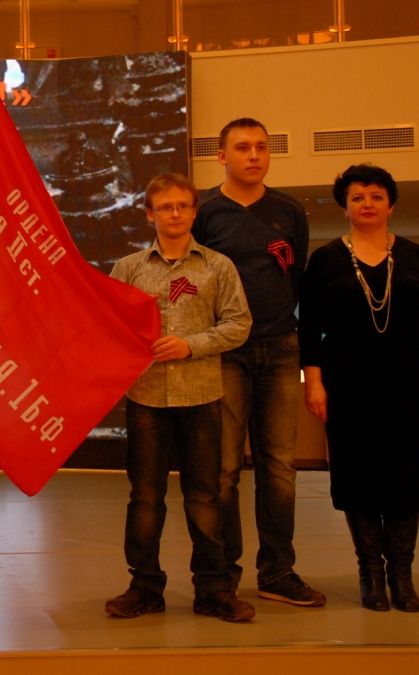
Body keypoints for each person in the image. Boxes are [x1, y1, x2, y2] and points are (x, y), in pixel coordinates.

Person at [300, 164, 419, 613]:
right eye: (357, 197)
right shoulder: (326, 259)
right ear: (344, 207)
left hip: (408, 384)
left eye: (376, 196)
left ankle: (401, 575)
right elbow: (308, 328)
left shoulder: (417, 256)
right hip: (347, 385)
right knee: (358, 475)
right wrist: (315, 384)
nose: (366, 204)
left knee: (407, 475)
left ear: (391, 205)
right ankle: (370, 574)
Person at [106, 173, 255, 622]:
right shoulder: (129, 269)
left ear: (194, 212)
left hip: (201, 396)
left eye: (183, 206)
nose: (175, 214)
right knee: (145, 497)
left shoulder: (217, 267)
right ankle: (144, 587)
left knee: (206, 497)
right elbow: (109, 326)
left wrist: (191, 345)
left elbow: (239, 323)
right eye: (165, 207)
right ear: (149, 215)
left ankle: (213, 589)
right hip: (147, 397)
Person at [192, 117, 325, 607]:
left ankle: (277, 572)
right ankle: (222, 575)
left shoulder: (289, 211)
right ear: (221, 156)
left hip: (282, 350)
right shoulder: (205, 211)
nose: (254, 155)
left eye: (262, 147)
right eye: (243, 147)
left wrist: (311, 364)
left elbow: (299, 285)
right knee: (224, 470)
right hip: (225, 355)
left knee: (280, 468)